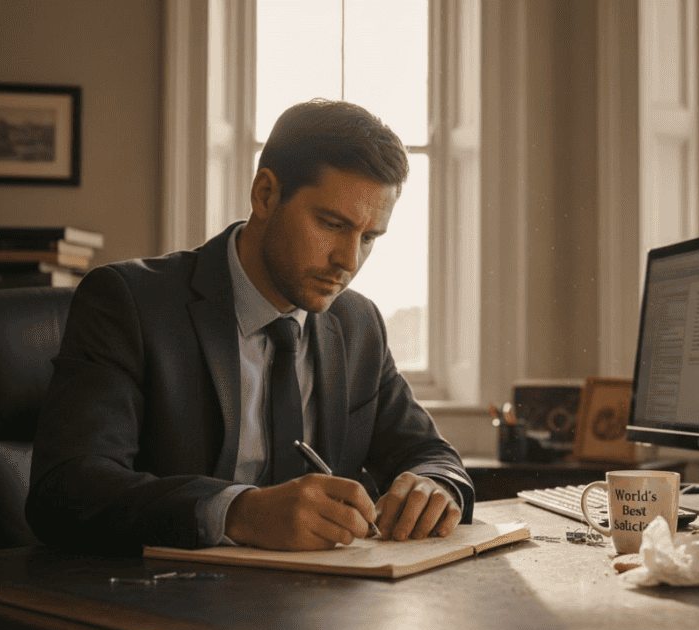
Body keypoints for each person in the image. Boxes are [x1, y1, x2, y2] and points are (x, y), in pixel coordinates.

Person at [26, 99, 474, 554]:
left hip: (325, 611)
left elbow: (431, 456)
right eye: (332, 224)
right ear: (265, 194)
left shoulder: (358, 324)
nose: (349, 260)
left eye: (369, 237)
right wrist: (237, 513)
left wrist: (435, 486)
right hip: (166, 603)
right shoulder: (128, 302)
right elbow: (66, 489)